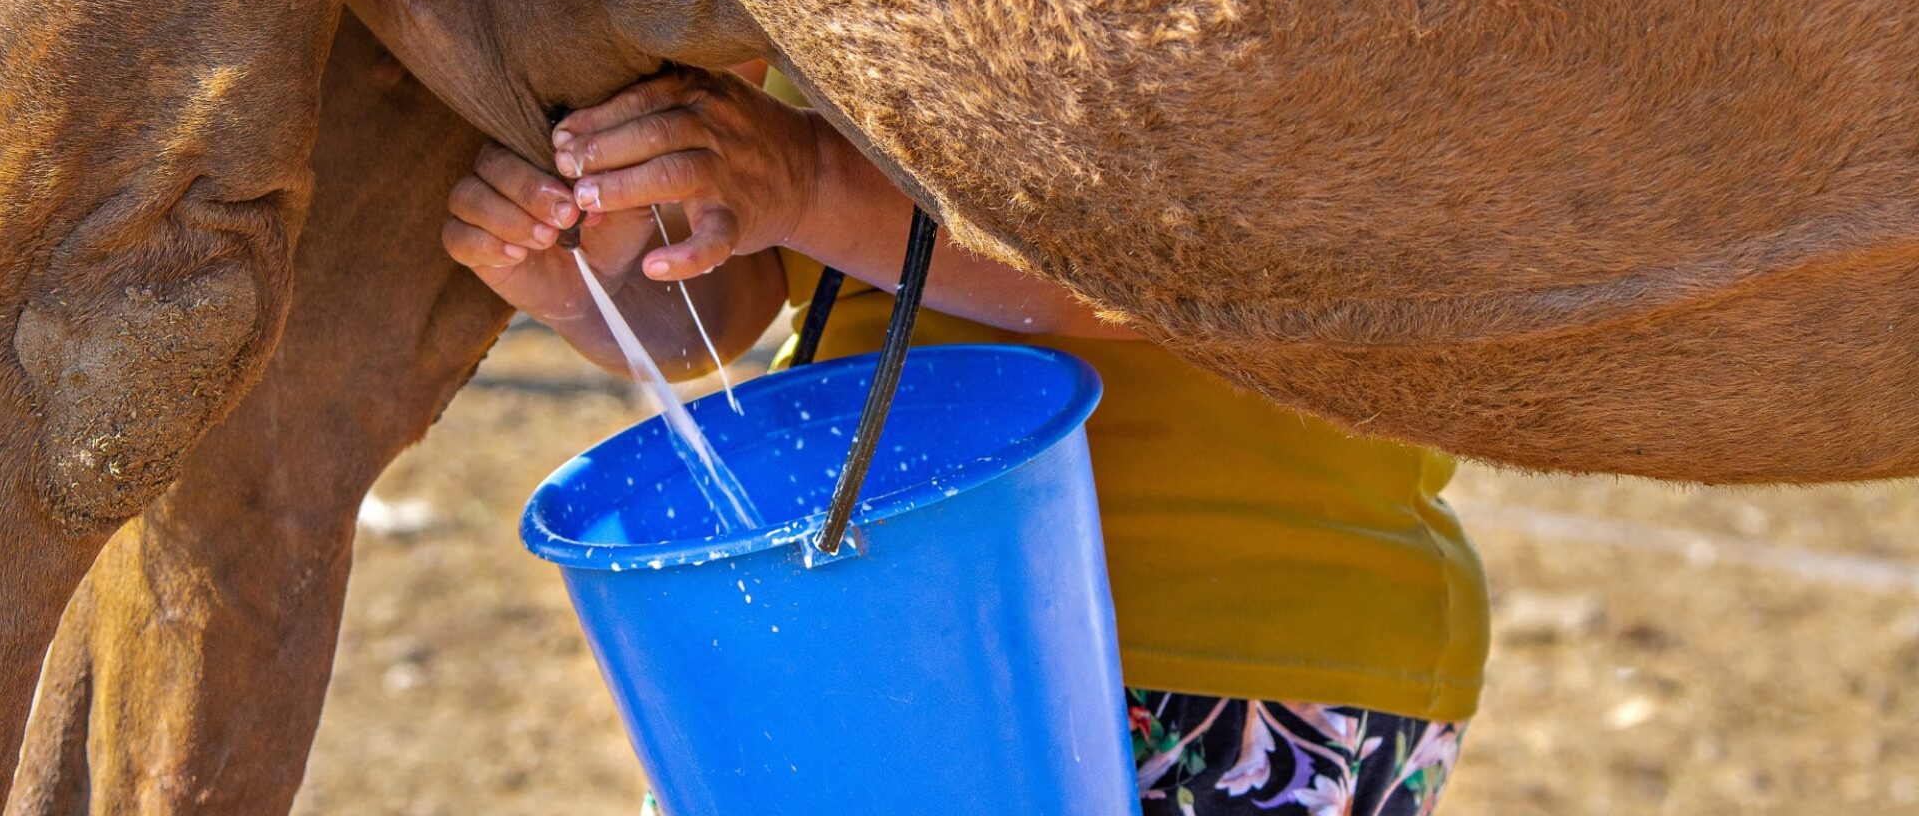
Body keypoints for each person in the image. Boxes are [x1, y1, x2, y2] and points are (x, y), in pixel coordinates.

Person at [442, 63, 1488, 815]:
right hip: (838, 639)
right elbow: (756, 283)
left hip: (1215, 645)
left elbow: (1223, 261)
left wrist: (804, 178)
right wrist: (595, 281)